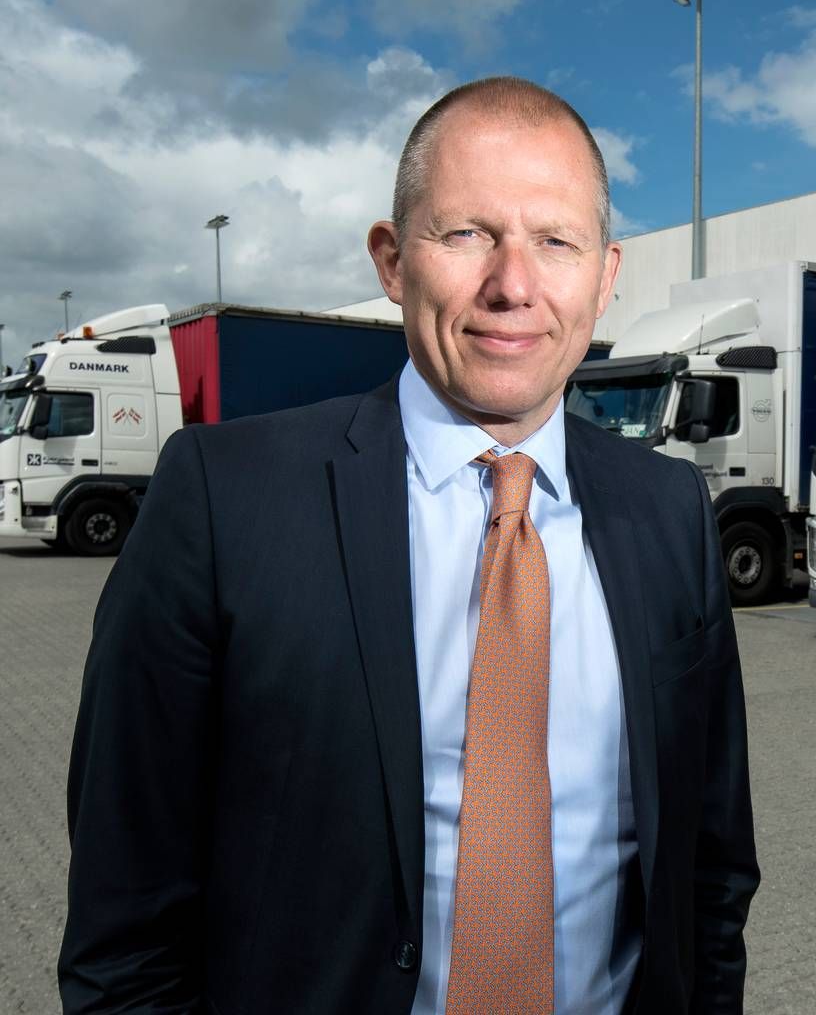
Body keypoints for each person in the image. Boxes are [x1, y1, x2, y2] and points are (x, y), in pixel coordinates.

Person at [59, 77, 760, 1014]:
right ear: (392, 262)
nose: (514, 284)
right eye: (467, 233)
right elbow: (125, 920)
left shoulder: (669, 508)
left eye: (556, 241)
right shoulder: (224, 500)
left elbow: (711, 872)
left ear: (605, 274)